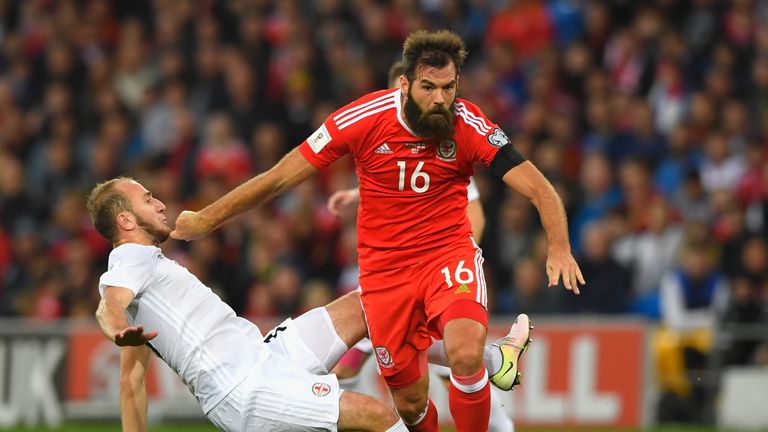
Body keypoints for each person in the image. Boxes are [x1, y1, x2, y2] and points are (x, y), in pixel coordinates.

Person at [173, 30, 584, 432]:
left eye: (449, 87)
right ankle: (498, 361)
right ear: (404, 84)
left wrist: (559, 247)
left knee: (463, 351)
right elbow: (280, 177)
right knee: (410, 404)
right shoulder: (363, 119)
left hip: (447, 257)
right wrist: (207, 218)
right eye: (428, 87)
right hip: (385, 276)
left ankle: (490, 365)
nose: (440, 99)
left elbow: (538, 187)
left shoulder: (468, 124)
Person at [87, 177, 410, 432]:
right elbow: (109, 303)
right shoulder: (131, 259)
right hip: (243, 387)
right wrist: (116, 329)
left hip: (264, 355)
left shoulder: (146, 280)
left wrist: (124, 330)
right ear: (126, 220)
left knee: (365, 303)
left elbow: (131, 382)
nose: (159, 204)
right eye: (147, 199)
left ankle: (356, 362)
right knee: (375, 414)